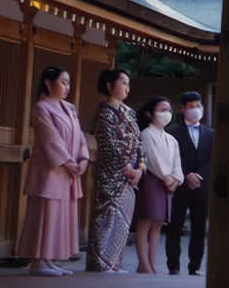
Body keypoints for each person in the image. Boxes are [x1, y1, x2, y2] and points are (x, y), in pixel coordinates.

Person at [17, 67, 89, 276]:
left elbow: (80, 137)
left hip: (69, 171)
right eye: (63, 82)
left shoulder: (70, 108)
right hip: (50, 170)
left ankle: (49, 260)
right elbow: (50, 139)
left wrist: (83, 159)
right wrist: (68, 161)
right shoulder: (41, 108)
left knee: (59, 216)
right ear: (49, 83)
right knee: (44, 214)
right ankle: (38, 262)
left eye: (68, 83)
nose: (67, 87)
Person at [87, 69, 142, 273]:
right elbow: (109, 144)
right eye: (123, 83)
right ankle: (100, 263)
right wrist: (127, 167)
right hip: (111, 173)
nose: (127, 87)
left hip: (130, 175)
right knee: (108, 217)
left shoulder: (130, 113)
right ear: (110, 86)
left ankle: (115, 262)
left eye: (128, 83)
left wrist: (140, 168)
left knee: (123, 219)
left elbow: (139, 143)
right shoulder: (104, 113)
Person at [165, 91, 214, 276]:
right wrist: (186, 175)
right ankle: (173, 265)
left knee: (199, 226)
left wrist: (199, 175)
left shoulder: (210, 134)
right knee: (174, 224)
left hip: (202, 186)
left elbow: (211, 159)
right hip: (179, 184)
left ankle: (195, 266)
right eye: (191, 106)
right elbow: (172, 158)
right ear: (183, 109)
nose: (195, 110)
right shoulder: (172, 132)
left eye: (198, 106)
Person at [134, 97, 184, 274]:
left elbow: (178, 163)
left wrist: (177, 179)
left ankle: (152, 263)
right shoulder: (146, 134)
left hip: (168, 184)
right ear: (150, 113)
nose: (167, 114)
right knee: (145, 222)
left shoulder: (171, 139)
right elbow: (152, 159)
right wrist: (167, 178)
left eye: (169, 110)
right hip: (152, 180)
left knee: (157, 224)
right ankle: (143, 263)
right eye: (162, 109)